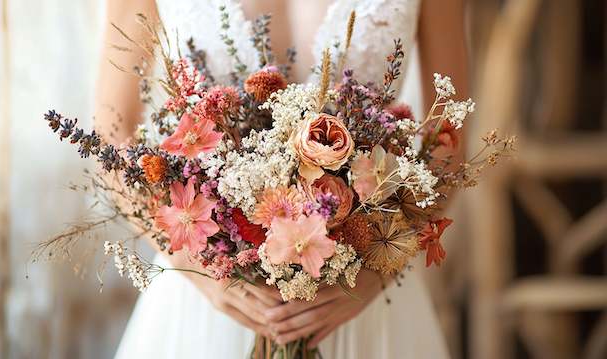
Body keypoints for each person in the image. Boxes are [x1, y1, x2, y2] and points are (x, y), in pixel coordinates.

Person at [96, 1, 468, 357]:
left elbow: (449, 139)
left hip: (359, 302)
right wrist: (198, 272)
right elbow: (111, 136)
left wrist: (381, 266)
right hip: (214, 301)